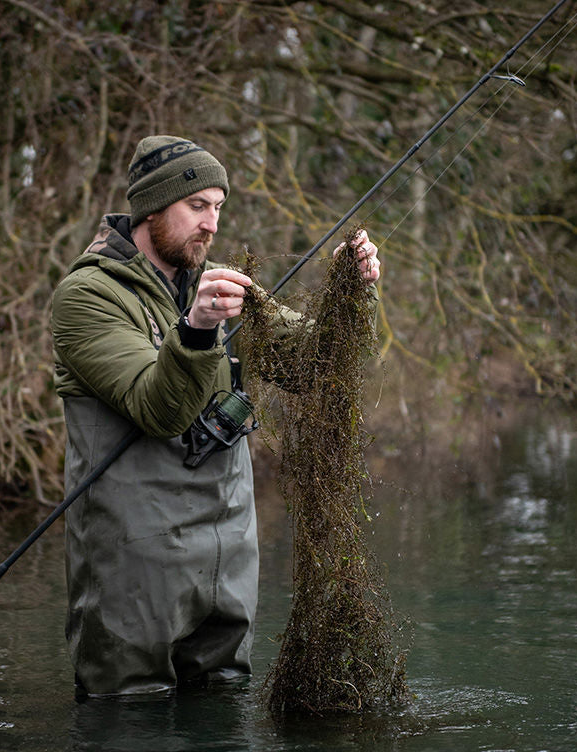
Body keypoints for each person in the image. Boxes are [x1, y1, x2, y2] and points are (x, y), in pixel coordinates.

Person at [51, 135, 381, 697]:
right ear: (152, 209)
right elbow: (159, 410)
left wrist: (354, 291)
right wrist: (199, 328)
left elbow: (317, 366)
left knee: (224, 715)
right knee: (131, 724)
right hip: (134, 562)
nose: (212, 224)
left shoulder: (226, 286)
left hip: (228, 556)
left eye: (219, 207)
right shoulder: (88, 297)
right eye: (197, 206)